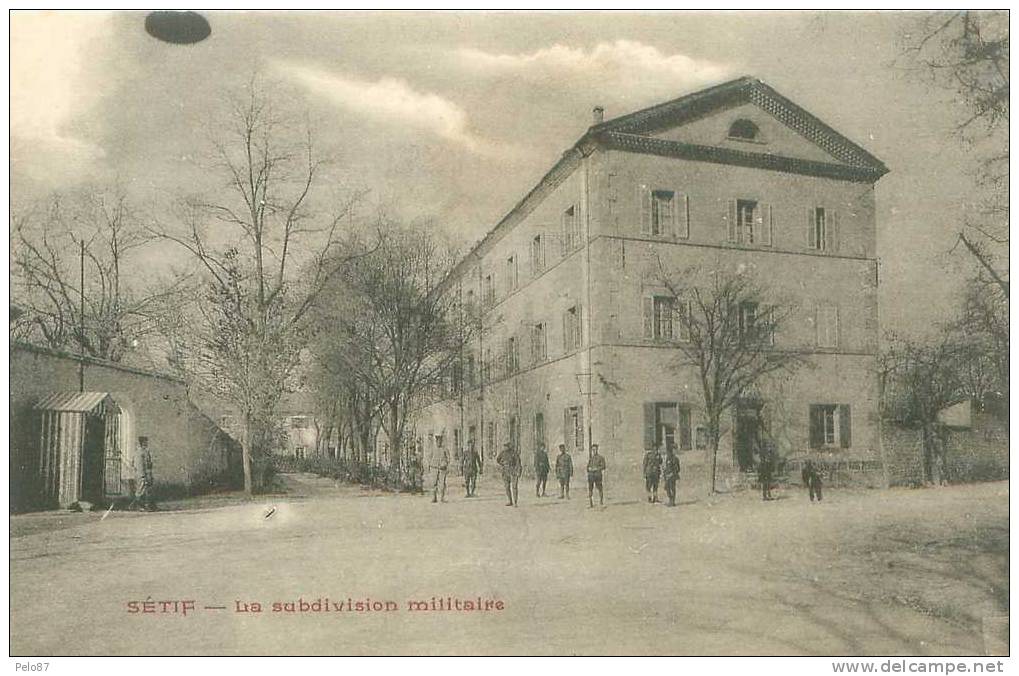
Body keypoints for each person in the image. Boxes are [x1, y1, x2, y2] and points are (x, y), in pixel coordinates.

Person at [136, 436, 158, 512]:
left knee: (149, 490)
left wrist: (149, 474)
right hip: (142, 474)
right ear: (142, 442)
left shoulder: (146, 451)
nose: (147, 443)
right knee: (141, 490)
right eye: (145, 441)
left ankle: (151, 506)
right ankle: (140, 506)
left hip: (148, 473)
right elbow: (140, 465)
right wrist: (143, 476)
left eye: (147, 441)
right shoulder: (139, 452)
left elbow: (149, 463)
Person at [496, 442, 522, 507]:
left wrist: (518, 471)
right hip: (505, 472)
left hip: (513, 472)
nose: (505, 447)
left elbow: (518, 463)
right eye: (504, 446)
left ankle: (515, 502)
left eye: (507, 446)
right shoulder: (502, 453)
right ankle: (510, 501)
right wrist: (502, 464)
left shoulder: (514, 453)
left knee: (514, 487)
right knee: (507, 487)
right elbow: (498, 459)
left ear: (509, 446)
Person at [430, 434, 449, 503]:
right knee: (433, 483)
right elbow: (429, 457)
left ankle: (442, 497)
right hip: (434, 468)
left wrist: (445, 464)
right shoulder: (433, 449)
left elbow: (448, 458)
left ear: (441, 441)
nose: (439, 442)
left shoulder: (445, 449)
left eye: (440, 441)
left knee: (442, 483)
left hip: (442, 469)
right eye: (437, 441)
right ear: (436, 441)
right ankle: (434, 497)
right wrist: (431, 466)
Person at [587, 444, 606, 508]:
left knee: (600, 488)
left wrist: (596, 469)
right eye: (593, 450)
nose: (594, 451)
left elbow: (603, 466)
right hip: (591, 476)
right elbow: (587, 467)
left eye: (595, 449)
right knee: (590, 489)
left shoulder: (601, 458)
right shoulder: (591, 459)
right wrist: (589, 469)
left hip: (598, 475)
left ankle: (601, 501)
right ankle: (591, 503)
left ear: (597, 449)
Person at [662, 442, 680, 507]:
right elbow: (666, 467)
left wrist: (671, 474)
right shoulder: (667, 458)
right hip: (667, 476)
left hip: (672, 476)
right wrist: (665, 473)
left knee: (672, 488)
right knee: (667, 488)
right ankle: (670, 499)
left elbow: (677, 469)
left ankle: (672, 501)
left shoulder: (675, 459)